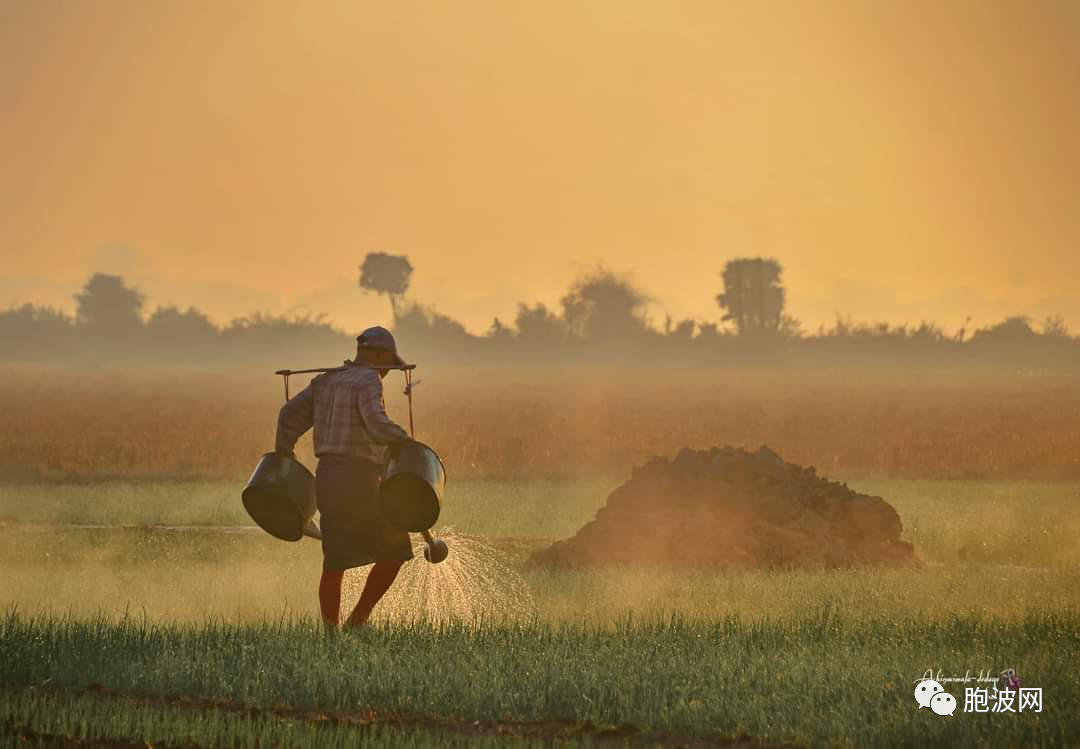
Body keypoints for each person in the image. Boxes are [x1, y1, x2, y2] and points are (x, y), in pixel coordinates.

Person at [275, 325, 413, 629]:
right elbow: (376, 423)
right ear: (378, 355)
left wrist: (284, 453)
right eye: (388, 364)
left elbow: (288, 415)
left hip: (327, 478)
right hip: (359, 478)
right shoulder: (369, 380)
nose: (388, 372)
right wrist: (405, 440)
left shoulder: (325, 380)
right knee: (396, 548)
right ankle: (358, 619)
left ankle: (331, 634)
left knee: (334, 559)